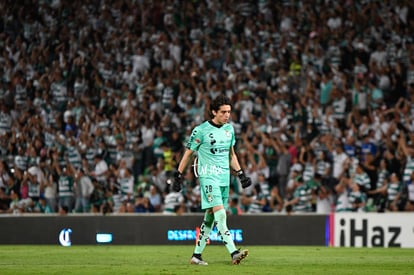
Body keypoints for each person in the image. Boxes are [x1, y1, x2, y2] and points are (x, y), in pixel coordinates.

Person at [173, 95, 252, 265]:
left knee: (210, 216)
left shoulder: (229, 129)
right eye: (223, 112)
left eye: (229, 112)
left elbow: (231, 154)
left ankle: (196, 255)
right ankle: (234, 252)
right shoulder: (200, 130)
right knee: (221, 214)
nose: (227, 115)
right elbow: (188, 153)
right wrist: (178, 175)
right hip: (208, 177)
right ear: (214, 112)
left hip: (224, 178)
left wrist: (240, 173)